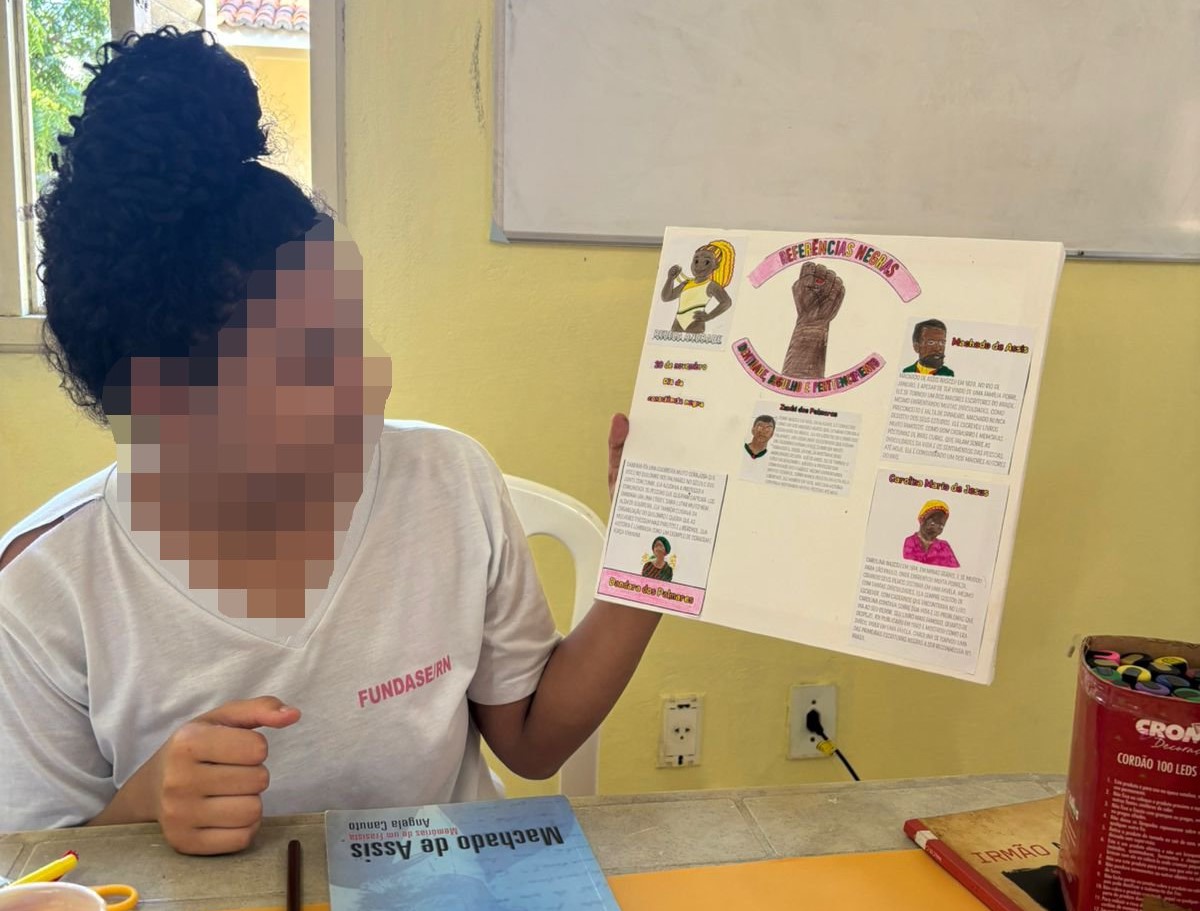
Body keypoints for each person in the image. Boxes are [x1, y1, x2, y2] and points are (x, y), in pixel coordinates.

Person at [0, 28, 659, 855]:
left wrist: (651, 555)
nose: (370, 384)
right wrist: (139, 806)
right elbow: (34, 872)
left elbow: (530, 740)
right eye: (310, 365)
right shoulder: (46, 592)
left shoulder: (447, 482)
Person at [660, 240, 735, 333]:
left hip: (695, 324)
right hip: (677, 323)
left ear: (716, 266)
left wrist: (710, 316)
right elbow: (666, 297)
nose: (699, 266)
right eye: (696, 261)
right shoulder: (686, 283)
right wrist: (670, 279)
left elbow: (726, 302)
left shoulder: (711, 285)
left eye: (706, 262)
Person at [902, 500, 960, 568]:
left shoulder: (944, 546)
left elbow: (954, 569)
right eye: (933, 523)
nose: (936, 527)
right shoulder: (910, 541)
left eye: (941, 525)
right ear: (922, 519)